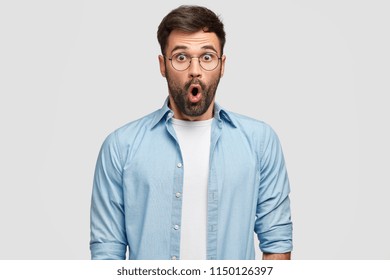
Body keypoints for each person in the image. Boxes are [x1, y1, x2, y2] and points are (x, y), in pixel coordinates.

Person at [90, 5, 293, 260]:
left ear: (222, 65)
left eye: (207, 57)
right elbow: (107, 251)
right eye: (181, 57)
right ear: (163, 65)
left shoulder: (260, 141)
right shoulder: (120, 146)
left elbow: (277, 243)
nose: (195, 70)